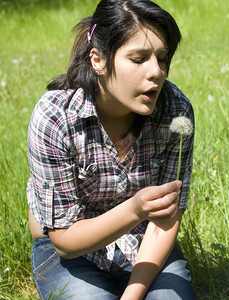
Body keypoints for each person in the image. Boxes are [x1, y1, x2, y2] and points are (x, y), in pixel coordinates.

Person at [26, 0, 196, 299]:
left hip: (146, 245)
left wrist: (133, 295)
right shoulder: (55, 117)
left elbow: (165, 220)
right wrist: (134, 208)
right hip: (70, 254)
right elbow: (65, 241)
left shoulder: (176, 112)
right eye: (139, 58)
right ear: (98, 60)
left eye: (162, 58)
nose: (156, 71)